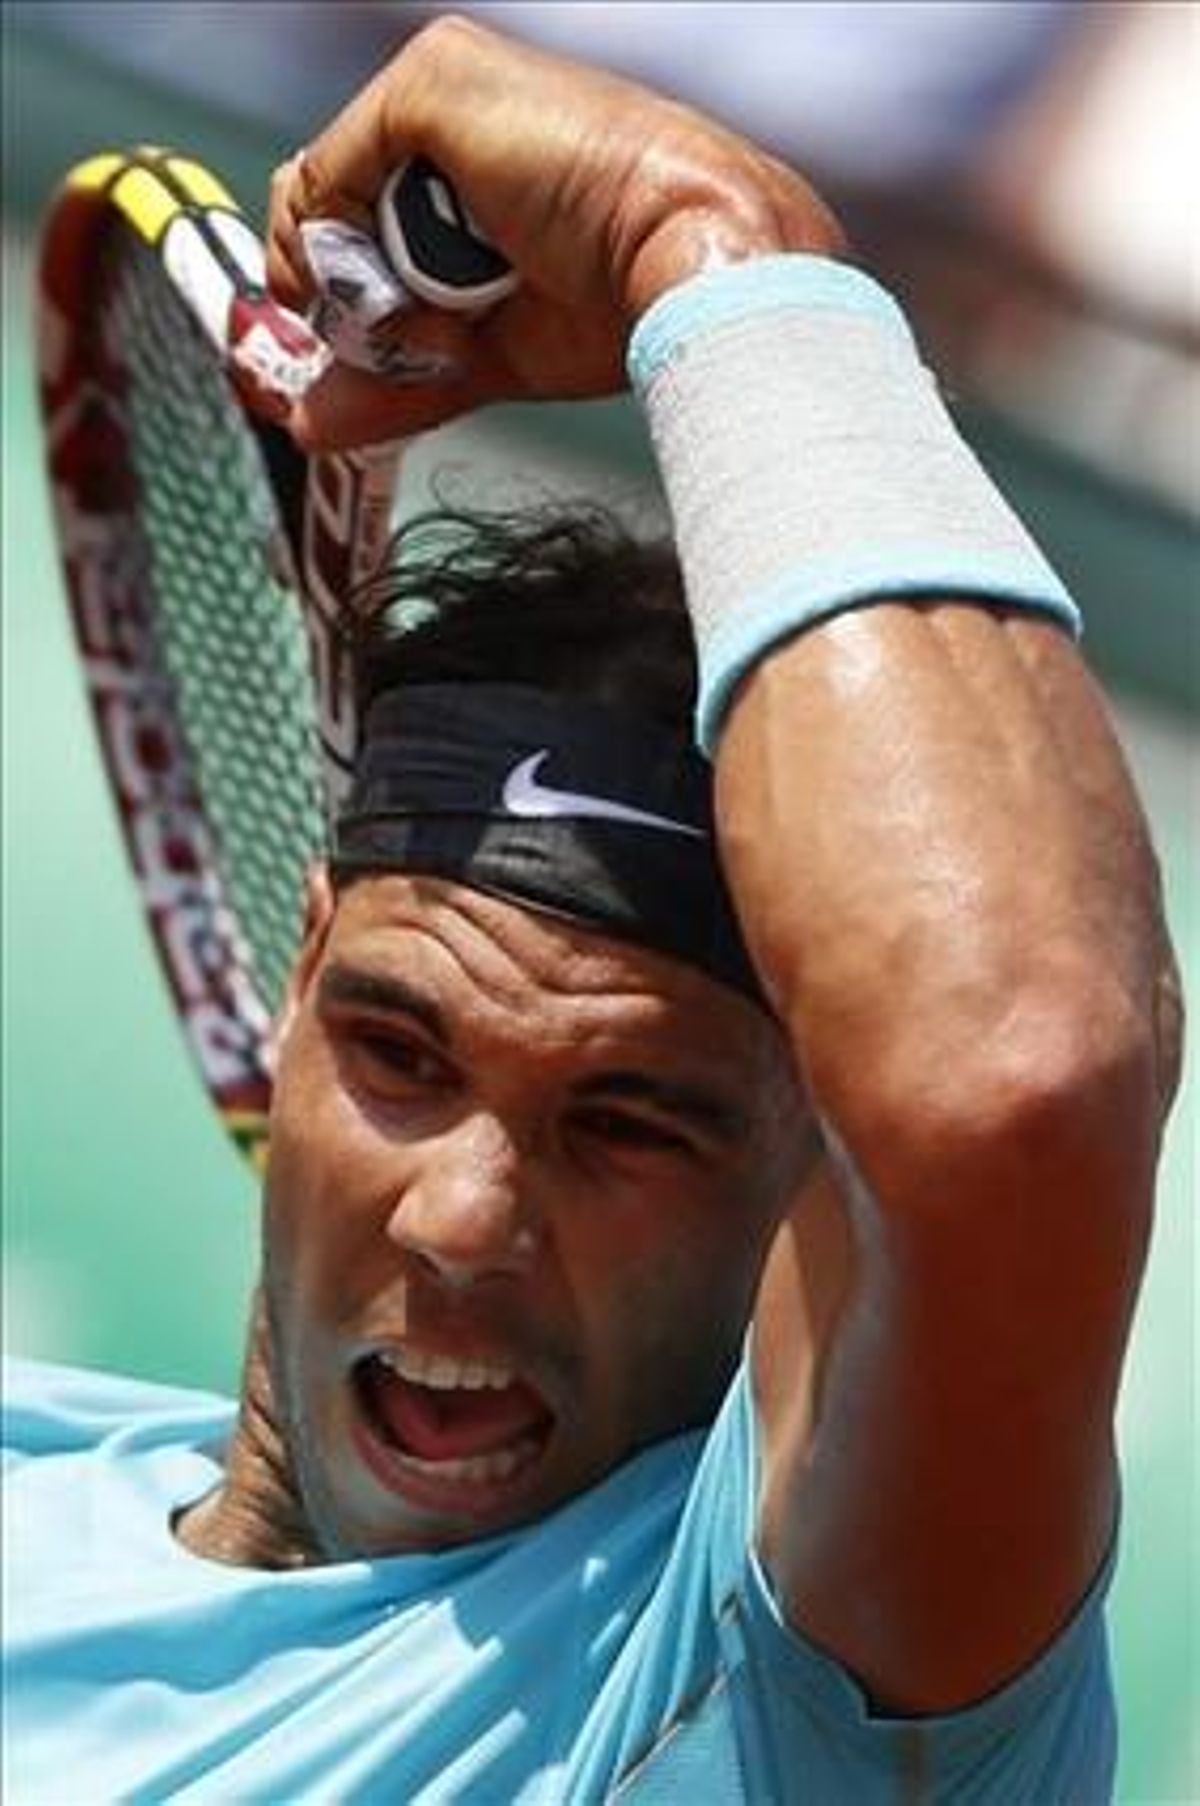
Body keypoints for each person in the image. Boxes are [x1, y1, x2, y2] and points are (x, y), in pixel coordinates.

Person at [4, 16, 1182, 1803]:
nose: (469, 1216)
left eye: (630, 1122)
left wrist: (706, 230)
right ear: (295, 969)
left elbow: (1013, 1070)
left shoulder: (768, 1679)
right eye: (402, 1048)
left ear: (809, 1190)